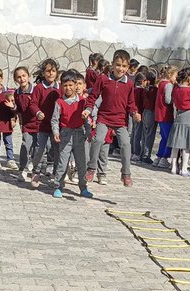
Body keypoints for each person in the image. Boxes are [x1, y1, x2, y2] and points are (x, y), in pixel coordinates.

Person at [87, 49, 140, 187]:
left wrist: (135, 113)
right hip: (104, 117)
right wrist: (88, 109)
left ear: (128, 67)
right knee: (98, 140)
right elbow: (93, 96)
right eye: (118, 65)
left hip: (120, 120)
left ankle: (126, 174)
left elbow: (131, 103)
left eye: (123, 66)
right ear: (112, 64)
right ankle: (92, 168)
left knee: (126, 144)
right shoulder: (103, 79)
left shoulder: (129, 83)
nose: (120, 69)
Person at [50, 69, 93, 199]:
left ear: (76, 85)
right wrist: (56, 132)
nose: (68, 88)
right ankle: (58, 186)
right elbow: (55, 119)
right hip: (65, 134)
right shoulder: (59, 102)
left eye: (71, 85)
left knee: (81, 163)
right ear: (61, 86)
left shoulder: (82, 101)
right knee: (63, 162)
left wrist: (89, 131)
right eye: (65, 85)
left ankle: (83, 187)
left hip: (80, 134)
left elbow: (86, 118)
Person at [29, 58, 61, 177]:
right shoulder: (39, 88)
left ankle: (54, 170)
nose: (51, 73)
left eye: (53, 71)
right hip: (42, 125)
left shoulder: (60, 88)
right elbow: (32, 104)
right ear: (43, 73)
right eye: (48, 71)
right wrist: (37, 112)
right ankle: (36, 171)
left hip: (56, 126)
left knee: (54, 148)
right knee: (39, 149)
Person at [167, 66, 190, 177]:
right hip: (188, 116)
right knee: (186, 145)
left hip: (178, 114)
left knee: (176, 144)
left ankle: (173, 167)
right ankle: (184, 168)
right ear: (189, 77)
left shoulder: (176, 89)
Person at [11, 65, 40, 181]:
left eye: (24, 76)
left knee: (37, 148)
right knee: (25, 146)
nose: (22, 79)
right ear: (15, 79)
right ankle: (22, 169)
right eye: (19, 77)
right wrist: (13, 109)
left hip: (38, 124)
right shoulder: (17, 93)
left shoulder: (36, 90)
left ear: (28, 76)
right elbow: (18, 109)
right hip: (27, 125)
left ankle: (34, 169)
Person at [153, 63, 176, 168]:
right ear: (170, 75)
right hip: (166, 114)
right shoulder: (168, 85)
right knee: (168, 137)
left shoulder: (161, 83)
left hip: (159, 114)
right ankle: (165, 158)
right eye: (175, 76)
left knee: (163, 137)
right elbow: (168, 100)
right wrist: (175, 99)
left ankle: (159, 156)